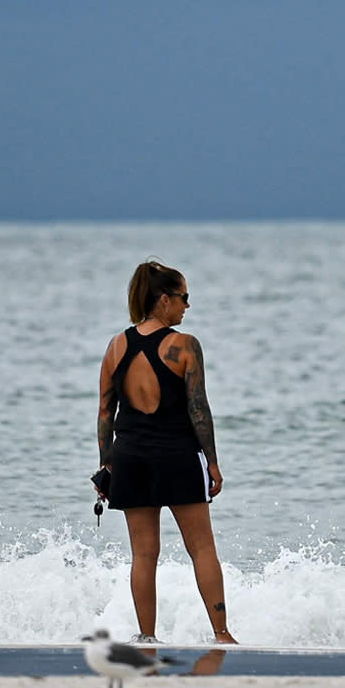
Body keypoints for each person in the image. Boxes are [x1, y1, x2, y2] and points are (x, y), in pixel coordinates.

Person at [95, 260, 236, 644]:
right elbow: (198, 408)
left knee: (143, 554)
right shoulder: (184, 345)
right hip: (176, 456)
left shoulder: (116, 346)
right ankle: (221, 634)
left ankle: (146, 636)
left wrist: (106, 466)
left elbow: (106, 412)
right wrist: (213, 462)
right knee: (202, 547)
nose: (187, 307)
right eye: (183, 298)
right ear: (163, 300)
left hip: (130, 458)